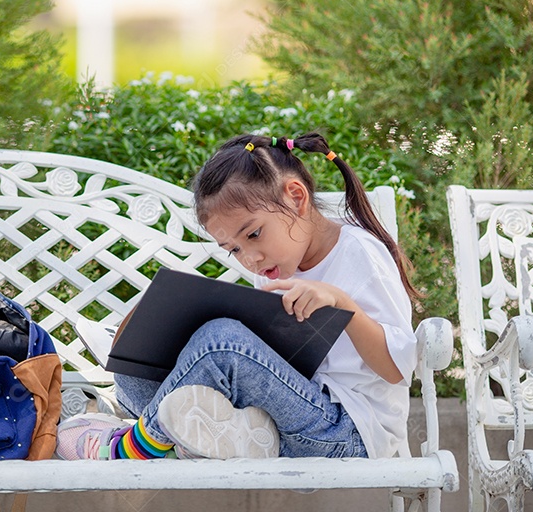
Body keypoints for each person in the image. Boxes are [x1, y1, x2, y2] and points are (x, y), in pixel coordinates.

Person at [55, 131, 419, 461]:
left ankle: (126, 451)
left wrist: (342, 303)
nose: (250, 259)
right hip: (282, 422)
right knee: (135, 376)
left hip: (348, 432)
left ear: (295, 198)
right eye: (233, 250)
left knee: (223, 342)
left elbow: (397, 370)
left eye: (254, 235)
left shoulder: (359, 253)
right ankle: (205, 437)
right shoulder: (278, 267)